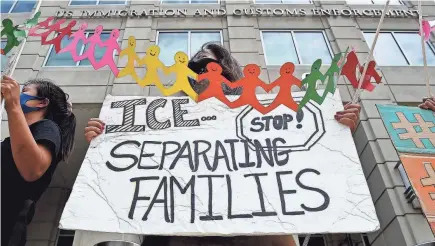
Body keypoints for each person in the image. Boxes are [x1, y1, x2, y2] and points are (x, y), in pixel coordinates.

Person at [84, 44, 361, 246]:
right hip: (185, 233)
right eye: (194, 70)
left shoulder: (268, 112)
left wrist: (337, 129)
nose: (201, 75)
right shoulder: (165, 120)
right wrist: (105, 139)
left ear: (228, 71)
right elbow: (135, 170)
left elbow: (309, 158)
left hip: (259, 235)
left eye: (208, 67)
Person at [1, 76, 76, 246]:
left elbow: (32, 169)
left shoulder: (47, 127)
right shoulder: (12, 142)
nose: (18, 94)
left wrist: (13, 106)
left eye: (25, 91)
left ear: (41, 103)